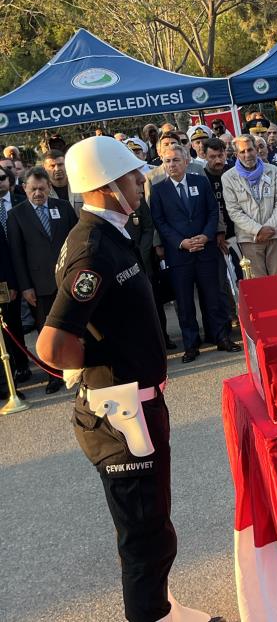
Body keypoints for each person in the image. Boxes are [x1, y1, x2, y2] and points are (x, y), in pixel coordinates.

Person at [36, 136, 226, 622]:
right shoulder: (92, 249)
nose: (141, 181)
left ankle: (161, 607)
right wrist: (95, 363)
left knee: (153, 522)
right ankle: (150, 615)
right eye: (131, 175)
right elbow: (52, 345)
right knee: (144, 534)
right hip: (119, 411)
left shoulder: (110, 233)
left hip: (135, 404)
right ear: (105, 186)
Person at [150, 143, 241, 363]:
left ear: (186, 161)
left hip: (205, 249)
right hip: (179, 254)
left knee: (213, 296)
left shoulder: (200, 182)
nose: (172, 165)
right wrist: (181, 242)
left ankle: (222, 337)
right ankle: (191, 345)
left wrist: (206, 235)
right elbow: (159, 222)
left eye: (176, 160)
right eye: (167, 161)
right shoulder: (158, 189)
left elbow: (212, 211)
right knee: (184, 302)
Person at [8, 167, 78, 393]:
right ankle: (54, 375)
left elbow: (77, 239)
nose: (38, 193)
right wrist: (26, 287)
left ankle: (80, 366)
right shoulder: (16, 215)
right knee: (46, 331)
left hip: (68, 279)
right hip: (39, 286)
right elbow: (17, 255)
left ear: (49, 187)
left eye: (41, 188)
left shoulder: (63, 207)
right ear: (24, 188)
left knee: (76, 324)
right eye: (33, 189)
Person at [221, 135, 277, 278]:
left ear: (256, 149)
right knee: (258, 283)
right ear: (236, 154)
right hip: (249, 238)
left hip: (275, 233)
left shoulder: (273, 171)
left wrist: (270, 228)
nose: (247, 155)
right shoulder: (228, 177)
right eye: (242, 152)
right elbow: (234, 211)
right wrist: (258, 230)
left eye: (250, 149)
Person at [0, 167, 31, 391]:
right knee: (8, 324)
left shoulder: (22, 201)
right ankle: (12, 372)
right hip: (5, 274)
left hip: (28, 270)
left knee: (17, 323)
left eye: (1, 177)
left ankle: (23, 364)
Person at [202, 138, 238, 328]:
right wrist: (218, 232)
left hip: (239, 230)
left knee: (243, 273)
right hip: (216, 234)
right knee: (221, 280)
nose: (218, 160)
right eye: (212, 156)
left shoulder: (234, 172)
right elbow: (210, 209)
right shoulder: (202, 178)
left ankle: (246, 311)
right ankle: (230, 315)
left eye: (220, 155)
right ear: (204, 156)